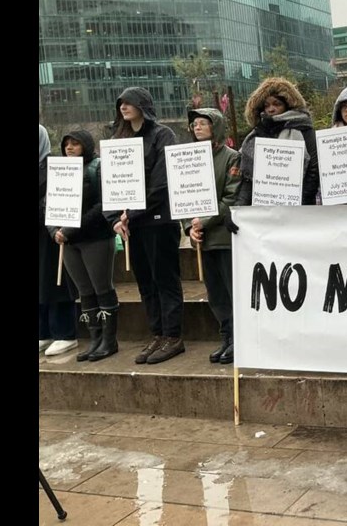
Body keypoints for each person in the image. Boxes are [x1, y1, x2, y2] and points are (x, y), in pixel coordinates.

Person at [105, 87, 186, 365]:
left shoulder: (163, 135)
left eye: (129, 102)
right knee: (145, 283)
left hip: (158, 221)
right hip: (132, 225)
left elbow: (162, 183)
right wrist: (115, 218)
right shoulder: (119, 140)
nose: (123, 107)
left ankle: (173, 336)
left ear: (144, 105)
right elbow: (112, 184)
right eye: (120, 103)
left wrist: (134, 212)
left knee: (165, 279)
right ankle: (157, 333)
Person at [49, 130, 120, 362]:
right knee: (84, 292)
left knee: (102, 288)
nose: (69, 147)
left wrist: (71, 229)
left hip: (96, 238)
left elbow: (102, 204)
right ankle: (95, 338)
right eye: (66, 143)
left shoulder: (97, 167)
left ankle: (109, 340)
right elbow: (50, 204)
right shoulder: (60, 170)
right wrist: (55, 231)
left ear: (86, 146)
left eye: (75, 143)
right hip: (69, 243)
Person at [181, 108, 241, 364]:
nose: (197, 127)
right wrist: (188, 227)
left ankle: (240, 339)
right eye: (194, 124)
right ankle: (226, 336)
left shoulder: (232, 158)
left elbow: (231, 197)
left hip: (224, 239)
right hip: (203, 241)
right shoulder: (187, 160)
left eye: (203, 123)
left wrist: (202, 221)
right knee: (215, 294)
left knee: (231, 291)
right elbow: (183, 197)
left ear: (215, 126)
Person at [236, 77, 320, 206]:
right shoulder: (258, 134)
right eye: (266, 105)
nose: (271, 109)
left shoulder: (303, 130)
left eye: (277, 104)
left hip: (298, 206)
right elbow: (248, 177)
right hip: (264, 206)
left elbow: (314, 168)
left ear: (288, 105)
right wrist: (240, 205)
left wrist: (302, 201)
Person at [39, 124, 79, 356]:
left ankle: (64, 332)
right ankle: (43, 332)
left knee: (56, 282)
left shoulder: (56, 167)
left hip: (53, 233)